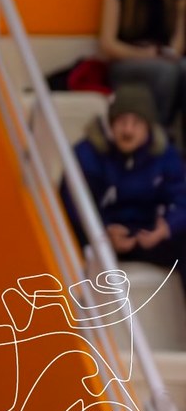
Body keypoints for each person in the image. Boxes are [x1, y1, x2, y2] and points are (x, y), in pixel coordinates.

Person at [69, 86, 186, 296]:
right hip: (98, 237)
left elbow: (181, 196)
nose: (128, 130)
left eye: (136, 123)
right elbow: (74, 205)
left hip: (145, 235)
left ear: (148, 127)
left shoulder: (163, 154)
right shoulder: (88, 154)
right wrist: (103, 232)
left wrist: (166, 227)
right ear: (111, 124)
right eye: (122, 122)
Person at [97, 0, 186, 122]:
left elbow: (178, 46)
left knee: (181, 68)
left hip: (164, 56)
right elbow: (107, 44)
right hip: (128, 61)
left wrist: (181, 17)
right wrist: (143, 54)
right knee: (167, 71)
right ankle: (159, 135)